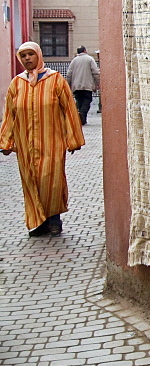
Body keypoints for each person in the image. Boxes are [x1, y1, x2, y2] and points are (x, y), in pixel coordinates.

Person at [0, 42, 84, 237]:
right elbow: (10, 115)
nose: (27, 58)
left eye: (31, 54)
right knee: (30, 181)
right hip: (25, 144)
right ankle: (38, 221)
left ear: (38, 55)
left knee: (51, 181)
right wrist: (5, 142)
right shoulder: (17, 84)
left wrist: (73, 139)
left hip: (52, 142)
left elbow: (69, 110)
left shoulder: (55, 80)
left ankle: (54, 219)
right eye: (23, 56)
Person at [66, 45, 100, 125]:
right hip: (87, 86)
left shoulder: (74, 61)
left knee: (79, 101)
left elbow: (69, 74)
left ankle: (81, 119)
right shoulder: (90, 59)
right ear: (85, 50)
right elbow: (95, 72)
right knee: (87, 101)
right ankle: (81, 115)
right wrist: (98, 83)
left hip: (76, 86)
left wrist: (68, 84)